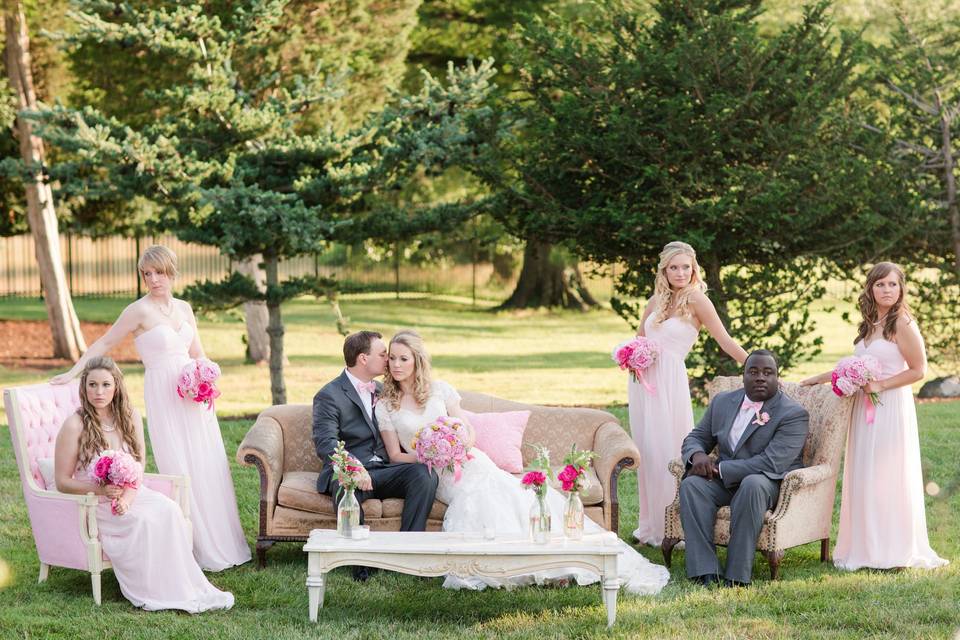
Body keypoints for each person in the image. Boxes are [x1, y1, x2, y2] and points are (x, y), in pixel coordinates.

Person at [375, 330, 671, 594]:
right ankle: (505, 564)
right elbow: (396, 456)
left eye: (404, 359)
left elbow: (467, 429)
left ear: (417, 361)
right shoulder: (386, 405)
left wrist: (456, 444)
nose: (397, 365)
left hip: (471, 461)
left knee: (511, 493)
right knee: (475, 499)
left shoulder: (440, 390)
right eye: (393, 359)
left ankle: (556, 557)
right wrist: (431, 454)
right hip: (435, 474)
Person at [51, 245, 250, 571]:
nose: (153, 279)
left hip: (192, 396)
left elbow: (197, 352)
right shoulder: (138, 311)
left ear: (172, 271)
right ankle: (192, 544)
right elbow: (104, 343)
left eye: (159, 272)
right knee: (180, 464)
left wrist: (206, 380)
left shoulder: (185, 309)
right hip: (163, 393)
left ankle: (222, 541)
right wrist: (74, 372)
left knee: (206, 462)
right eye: (147, 274)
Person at [53, 357, 234, 611]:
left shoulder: (130, 417)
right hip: (96, 501)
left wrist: (127, 497)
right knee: (144, 521)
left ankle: (178, 584)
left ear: (116, 386)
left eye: (106, 384)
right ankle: (152, 589)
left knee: (169, 510)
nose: (99, 392)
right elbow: (62, 481)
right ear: (83, 388)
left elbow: (137, 468)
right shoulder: (74, 424)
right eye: (92, 385)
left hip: (132, 493)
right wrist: (101, 490)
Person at [801, 262, 947, 571]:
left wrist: (879, 385)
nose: (886, 290)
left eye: (892, 285)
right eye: (880, 285)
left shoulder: (903, 323)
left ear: (901, 288)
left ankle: (892, 548)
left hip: (890, 407)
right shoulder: (869, 324)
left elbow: (918, 370)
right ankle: (865, 546)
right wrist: (823, 377)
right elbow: (859, 367)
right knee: (864, 473)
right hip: (863, 412)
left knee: (887, 473)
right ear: (870, 289)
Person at [629, 241, 747, 546]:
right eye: (674, 267)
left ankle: (675, 525)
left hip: (670, 382)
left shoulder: (697, 301)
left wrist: (756, 365)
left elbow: (724, 340)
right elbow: (638, 341)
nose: (680, 273)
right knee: (649, 449)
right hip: (643, 384)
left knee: (668, 447)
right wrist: (630, 357)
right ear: (664, 271)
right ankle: (651, 524)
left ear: (694, 269)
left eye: (686, 267)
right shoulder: (654, 302)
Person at [311, 330, 439, 582]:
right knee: (343, 485)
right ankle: (360, 563)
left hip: (385, 469)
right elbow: (326, 443)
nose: (389, 360)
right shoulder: (329, 395)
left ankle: (408, 552)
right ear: (363, 359)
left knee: (424, 474)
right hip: (352, 471)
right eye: (383, 355)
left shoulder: (384, 390)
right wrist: (354, 468)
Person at [679, 350, 808, 586]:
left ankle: (737, 575)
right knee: (692, 485)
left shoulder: (793, 414)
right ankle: (705, 569)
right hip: (727, 481)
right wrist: (697, 456)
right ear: (744, 376)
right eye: (754, 372)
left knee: (752, 483)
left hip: (767, 481)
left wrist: (719, 469)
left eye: (768, 373)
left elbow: (770, 462)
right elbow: (697, 436)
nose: (760, 377)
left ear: (777, 378)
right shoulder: (723, 402)